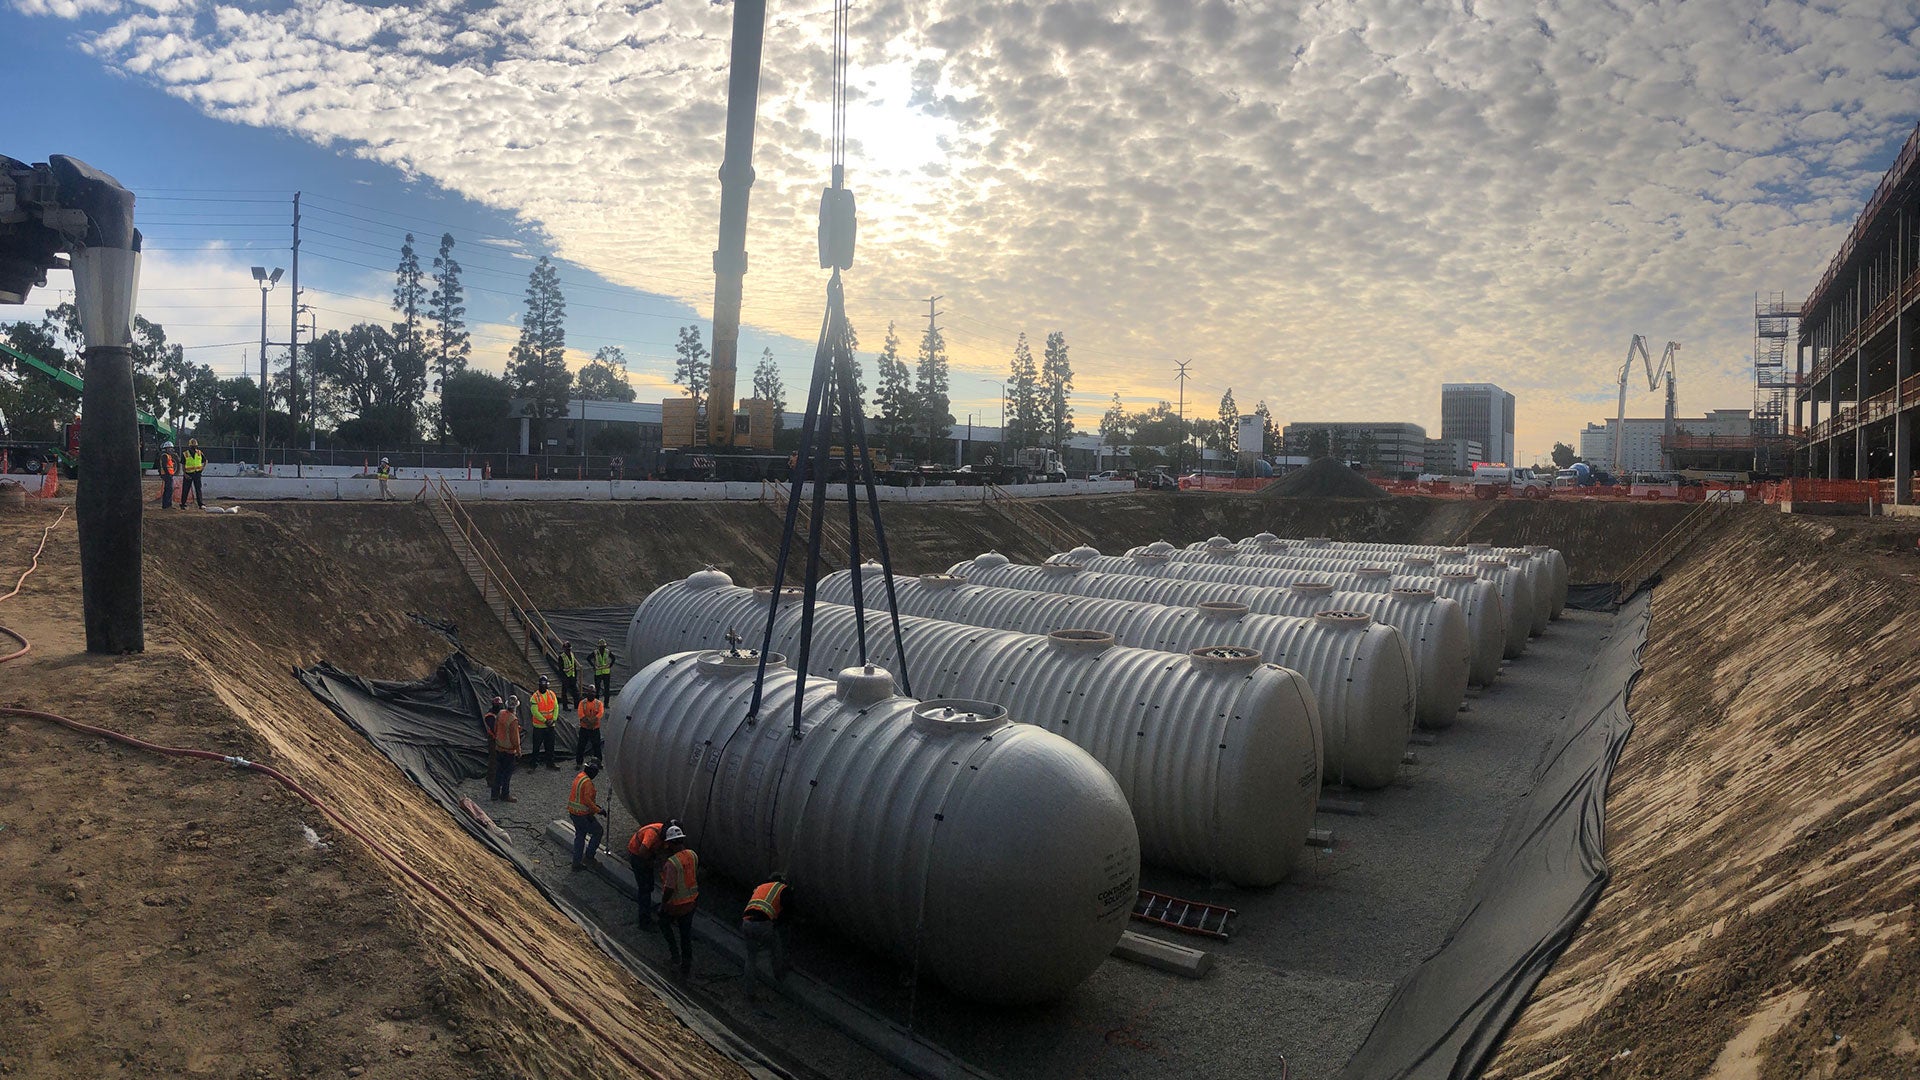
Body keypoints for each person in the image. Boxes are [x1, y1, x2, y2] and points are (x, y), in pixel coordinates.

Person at [740, 873, 792, 999]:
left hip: (746, 923)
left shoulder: (761, 887)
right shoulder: (782, 889)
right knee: (776, 946)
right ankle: (779, 975)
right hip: (763, 924)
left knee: (751, 958)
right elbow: (787, 914)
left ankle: (749, 992)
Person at [657, 824, 698, 977]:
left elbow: (669, 888)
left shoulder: (672, 863)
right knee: (685, 935)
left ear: (671, 843)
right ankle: (686, 966)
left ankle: (675, 957)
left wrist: (663, 904)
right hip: (691, 902)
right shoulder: (693, 855)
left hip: (677, 905)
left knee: (663, 923)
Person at [567, 760, 606, 870]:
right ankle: (589, 858)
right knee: (598, 831)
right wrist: (599, 811)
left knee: (580, 836)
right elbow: (588, 801)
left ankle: (576, 862)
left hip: (574, 812)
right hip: (582, 815)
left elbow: (582, 798)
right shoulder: (588, 783)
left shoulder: (580, 776)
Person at [626, 820, 665, 926]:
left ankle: (646, 907)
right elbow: (642, 851)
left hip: (648, 853)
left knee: (649, 885)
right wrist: (652, 863)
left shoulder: (663, 831)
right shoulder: (652, 834)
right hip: (637, 856)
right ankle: (644, 921)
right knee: (644, 888)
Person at [486, 695, 520, 802]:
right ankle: (505, 795)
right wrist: (518, 750)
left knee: (498, 772)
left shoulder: (500, 714)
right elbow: (515, 738)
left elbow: (495, 728)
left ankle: (494, 794)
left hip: (499, 748)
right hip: (509, 751)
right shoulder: (513, 720)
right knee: (507, 774)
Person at [528, 676, 560, 769]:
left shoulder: (551, 694)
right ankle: (533, 764)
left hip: (550, 725)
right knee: (536, 747)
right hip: (539, 726)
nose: (544, 687)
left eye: (545, 685)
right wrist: (545, 721)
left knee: (550, 746)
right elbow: (534, 711)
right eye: (543, 685)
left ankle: (550, 763)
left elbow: (556, 707)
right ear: (539, 685)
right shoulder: (535, 696)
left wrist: (553, 719)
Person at [574, 685, 604, 769]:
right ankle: (579, 762)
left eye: (593, 692)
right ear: (587, 693)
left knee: (597, 746)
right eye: (590, 692)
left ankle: (598, 762)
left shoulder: (599, 703)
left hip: (594, 728)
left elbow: (600, 714)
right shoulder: (582, 703)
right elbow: (580, 714)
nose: (591, 694)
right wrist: (589, 723)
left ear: (595, 693)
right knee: (581, 746)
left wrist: (591, 722)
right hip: (585, 728)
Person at [180, 438, 205, 509]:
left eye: (195, 446)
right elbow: (183, 465)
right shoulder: (185, 454)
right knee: (185, 490)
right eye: (193, 446)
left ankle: (201, 504)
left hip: (197, 473)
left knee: (198, 489)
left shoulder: (199, 453)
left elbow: (205, 460)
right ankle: (183, 504)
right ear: (190, 446)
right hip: (188, 474)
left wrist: (202, 468)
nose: (194, 448)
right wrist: (185, 474)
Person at [557, 641, 580, 712]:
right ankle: (565, 706)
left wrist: (575, 676)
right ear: (564, 649)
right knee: (564, 692)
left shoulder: (572, 655)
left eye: (569, 649)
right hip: (565, 677)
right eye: (567, 649)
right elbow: (560, 669)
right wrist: (563, 678)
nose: (569, 651)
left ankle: (577, 705)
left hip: (572, 676)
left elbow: (574, 666)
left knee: (575, 691)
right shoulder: (561, 657)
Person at [156, 440, 178, 510]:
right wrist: (168, 474)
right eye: (170, 448)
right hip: (167, 475)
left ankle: (167, 505)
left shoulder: (168, 456)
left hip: (168, 475)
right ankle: (167, 505)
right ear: (167, 448)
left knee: (168, 490)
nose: (171, 449)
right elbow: (164, 466)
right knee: (169, 490)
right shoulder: (165, 456)